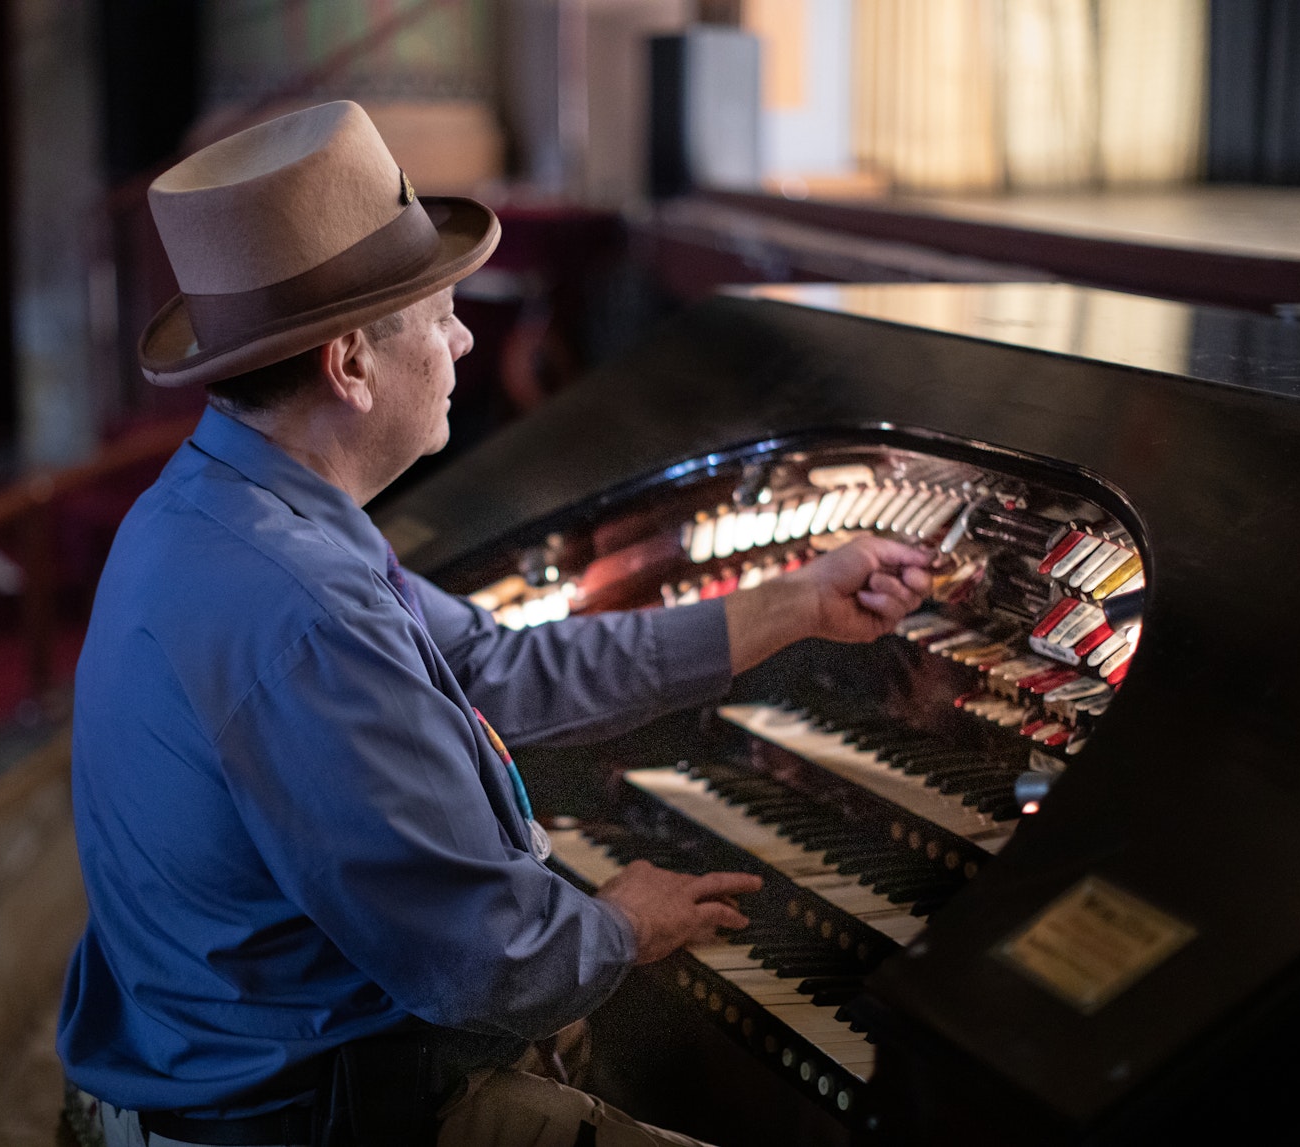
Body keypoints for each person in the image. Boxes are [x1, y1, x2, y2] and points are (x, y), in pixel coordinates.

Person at [57, 100, 933, 1147]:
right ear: (350, 364)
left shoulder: (228, 505)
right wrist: (620, 923)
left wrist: (791, 601)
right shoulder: (301, 605)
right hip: (302, 1118)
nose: (465, 337)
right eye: (441, 314)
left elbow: (492, 664)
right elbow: (482, 960)